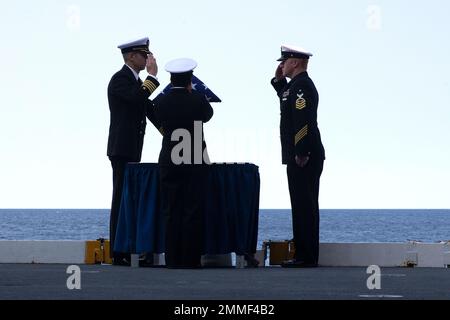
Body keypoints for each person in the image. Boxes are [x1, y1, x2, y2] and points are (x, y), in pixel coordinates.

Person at [154, 58, 213, 268]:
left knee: (170, 211)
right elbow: (208, 115)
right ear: (191, 79)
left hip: (170, 160)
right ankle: (190, 259)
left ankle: (173, 259)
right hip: (195, 157)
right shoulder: (198, 99)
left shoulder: (162, 101)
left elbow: (157, 116)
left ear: (171, 79)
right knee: (193, 210)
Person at [107, 37, 161, 265]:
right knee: (120, 198)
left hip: (132, 147)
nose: (147, 58)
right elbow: (137, 98)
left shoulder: (134, 81)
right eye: (143, 54)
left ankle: (125, 248)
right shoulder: (120, 80)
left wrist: (171, 130)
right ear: (131, 56)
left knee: (128, 198)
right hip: (122, 148)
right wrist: (153, 78)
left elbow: (149, 109)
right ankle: (117, 252)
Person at [271, 45, 325, 268]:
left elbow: (302, 120)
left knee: (305, 205)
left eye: (284, 61)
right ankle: (304, 253)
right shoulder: (295, 86)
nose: (281, 65)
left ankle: (306, 256)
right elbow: (287, 101)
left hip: (304, 156)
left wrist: (301, 151)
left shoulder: (301, 86)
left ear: (295, 62)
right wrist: (278, 82)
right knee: (301, 204)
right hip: (299, 154)